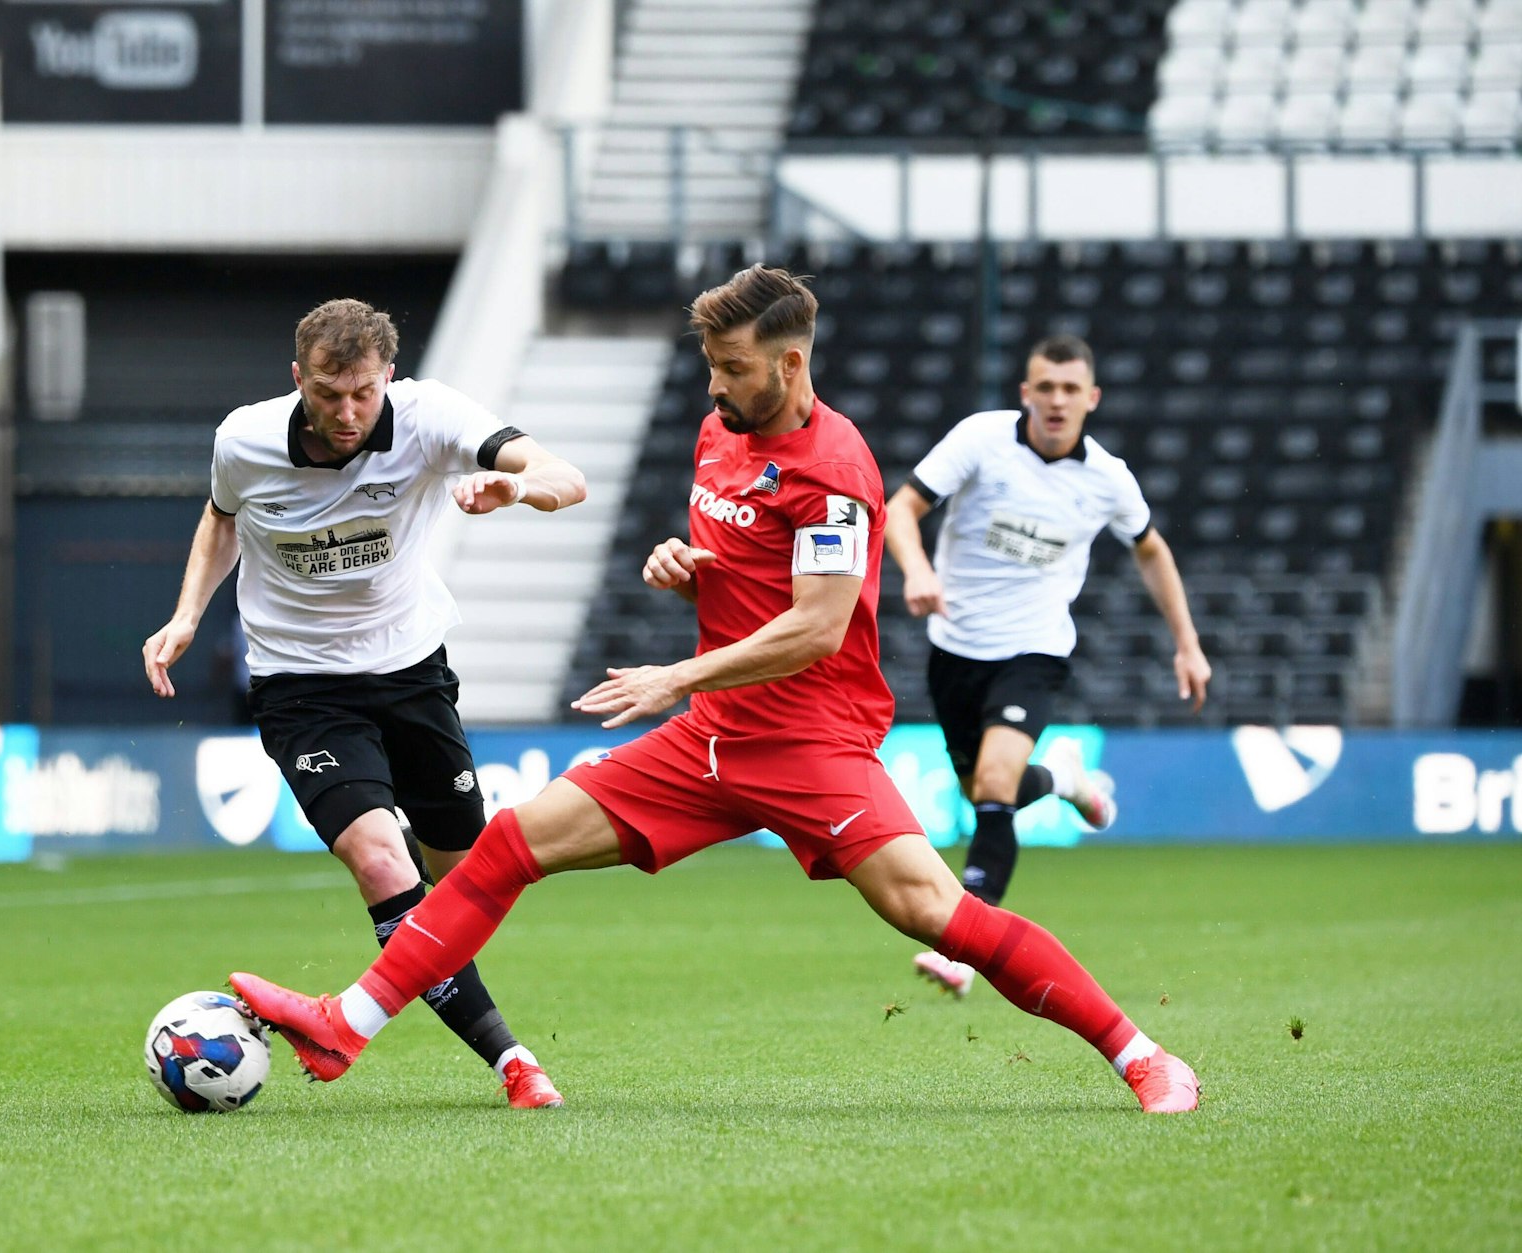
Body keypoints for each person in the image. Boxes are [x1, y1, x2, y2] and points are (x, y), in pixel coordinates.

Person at [227, 267, 1200, 1114]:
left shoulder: (833, 469)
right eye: (709, 364)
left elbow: (817, 625)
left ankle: (1141, 1055)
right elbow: (750, 573)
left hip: (812, 742)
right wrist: (690, 570)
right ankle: (342, 1024)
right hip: (708, 738)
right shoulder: (717, 434)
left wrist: (676, 673)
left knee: (936, 913)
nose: (713, 382)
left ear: (786, 364)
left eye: (731, 366)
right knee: (509, 845)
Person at [142, 298, 587, 1110]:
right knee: (383, 859)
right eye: (326, 393)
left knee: (463, 879)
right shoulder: (242, 439)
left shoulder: (431, 417)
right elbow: (220, 519)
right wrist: (185, 614)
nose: (346, 414)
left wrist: (515, 489)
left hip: (411, 671)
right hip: (301, 685)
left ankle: (368, 995)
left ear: (389, 375)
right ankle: (514, 1061)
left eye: (363, 394)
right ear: (296, 379)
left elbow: (569, 477)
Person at [885, 334, 1213, 999]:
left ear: (1091, 398)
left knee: (998, 783)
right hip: (955, 650)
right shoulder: (981, 440)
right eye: (1046, 387)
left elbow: (1152, 550)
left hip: (1034, 650)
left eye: (1071, 389)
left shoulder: (1108, 479)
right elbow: (901, 509)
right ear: (1025, 393)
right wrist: (918, 569)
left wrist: (1188, 642)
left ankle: (965, 949)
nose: (1058, 400)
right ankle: (1063, 778)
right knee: (985, 788)